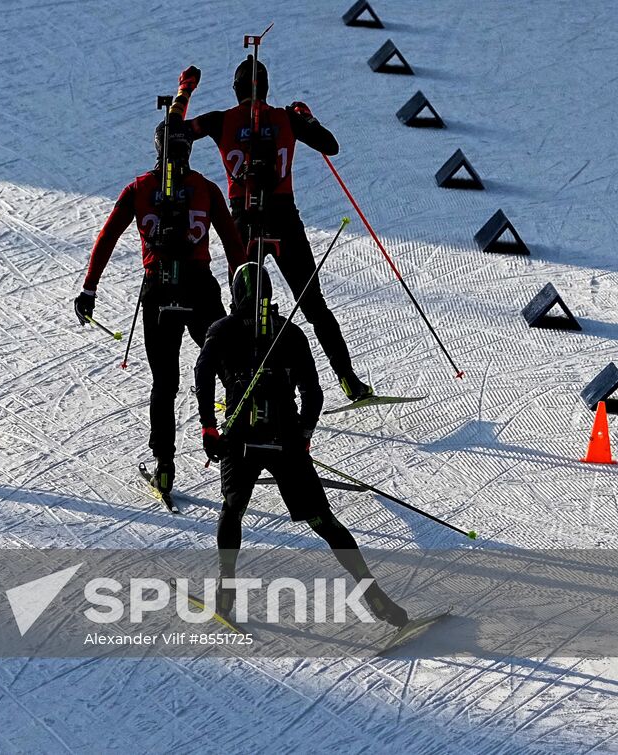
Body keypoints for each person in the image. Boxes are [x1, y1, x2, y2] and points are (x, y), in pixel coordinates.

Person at [194, 261, 406, 626]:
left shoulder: (222, 329)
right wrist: (304, 435)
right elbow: (313, 394)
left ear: (236, 294)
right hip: (286, 439)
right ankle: (375, 596)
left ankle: (225, 589)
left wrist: (209, 427)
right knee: (324, 521)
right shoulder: (290, 333)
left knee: (233, 507)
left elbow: (202, 372)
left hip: (241, 438)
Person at [75, 95, 246, 500]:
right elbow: (234, 244)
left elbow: (108, 236)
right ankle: (241, 448)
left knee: (164, 384)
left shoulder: (139, 188)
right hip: (200, 287)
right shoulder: (204, 188)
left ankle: (165, 467)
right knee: (228, 369)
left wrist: (89, 287)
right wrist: (245, 295)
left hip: (158, 291)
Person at [181, 60, 374, 401]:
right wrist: (306, 116)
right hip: (284, 219)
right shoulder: (287, 117)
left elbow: (174, 134)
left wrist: (185, 93)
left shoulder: (220, 120)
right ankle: (348, 380)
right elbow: (330, 145)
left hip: (242, 221)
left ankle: (238, 386)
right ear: (266, 88)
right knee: (314, 305)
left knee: (242, 310)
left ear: (236, 90)